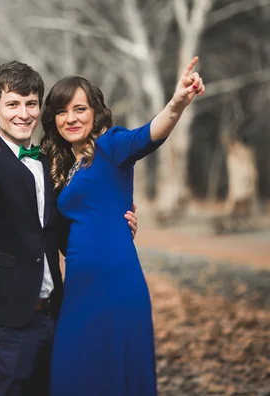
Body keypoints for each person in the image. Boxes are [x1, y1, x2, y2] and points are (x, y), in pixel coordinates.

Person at [0, 61, 138, 395]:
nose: (23, 113)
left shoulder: (51, 161)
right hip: (6, 317)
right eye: (12, 104)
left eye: (31, 103)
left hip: (55, 315)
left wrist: (111, 225)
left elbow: (64, 231)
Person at [41, 57, 205, 395]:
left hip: (116, 286)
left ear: (95, 111)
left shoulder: (110, 146)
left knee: (114, 378)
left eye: (79, 109)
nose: (70, 118)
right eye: (61, 111)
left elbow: (149, 134)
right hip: (78, 289)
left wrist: (176, 104)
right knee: (70, 375)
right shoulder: (63, 167)